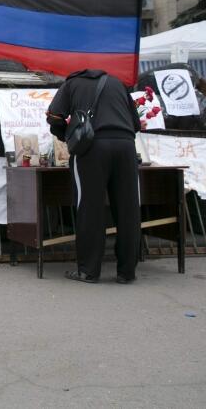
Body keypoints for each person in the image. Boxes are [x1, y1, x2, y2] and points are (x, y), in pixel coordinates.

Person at [46, 69, 141, 284]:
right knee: (128, 209)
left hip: (92, 148)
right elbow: (135, 123)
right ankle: (127, 272)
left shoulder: (71, 84)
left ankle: (88, 271)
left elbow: (54, 117)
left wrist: (68, 135)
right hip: (126, 146)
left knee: (90, 207)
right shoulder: (117, 82)